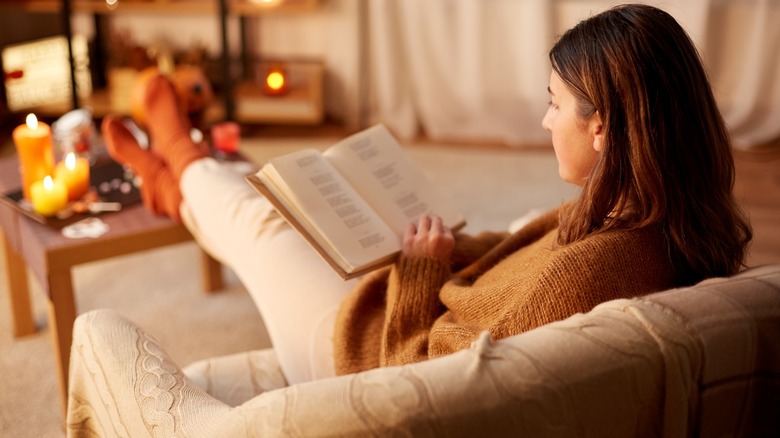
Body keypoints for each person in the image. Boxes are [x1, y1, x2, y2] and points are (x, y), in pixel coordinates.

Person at [98, 3, 751, 384]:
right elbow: (527, 247)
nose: (546, 121)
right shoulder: (651, 209)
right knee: (283, 210)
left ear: (602, 124)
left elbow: (421, 379)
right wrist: (446, 251)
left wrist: (417, 273)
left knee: (257, 222)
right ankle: (174, 170)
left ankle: (173, 156)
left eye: (554, 105)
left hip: (363, 348)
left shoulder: (589, 273)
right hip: (422, 299)